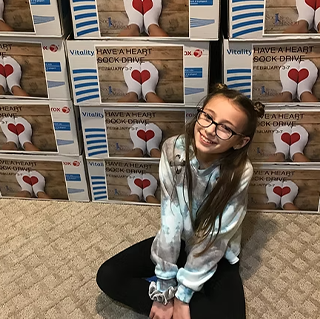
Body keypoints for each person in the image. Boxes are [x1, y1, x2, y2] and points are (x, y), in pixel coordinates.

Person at [96, 84, 265, 319]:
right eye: (207, 116)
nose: (210, 130)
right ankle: (173, 301)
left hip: (215, 250)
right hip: (179, 240)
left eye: (226, 128)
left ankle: (185, 297)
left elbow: (216, 236)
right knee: (108, 275)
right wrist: (164, 288)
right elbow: (170, 219)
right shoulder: (172, 149)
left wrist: (184, 294)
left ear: (240, 142)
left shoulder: (240, 172)